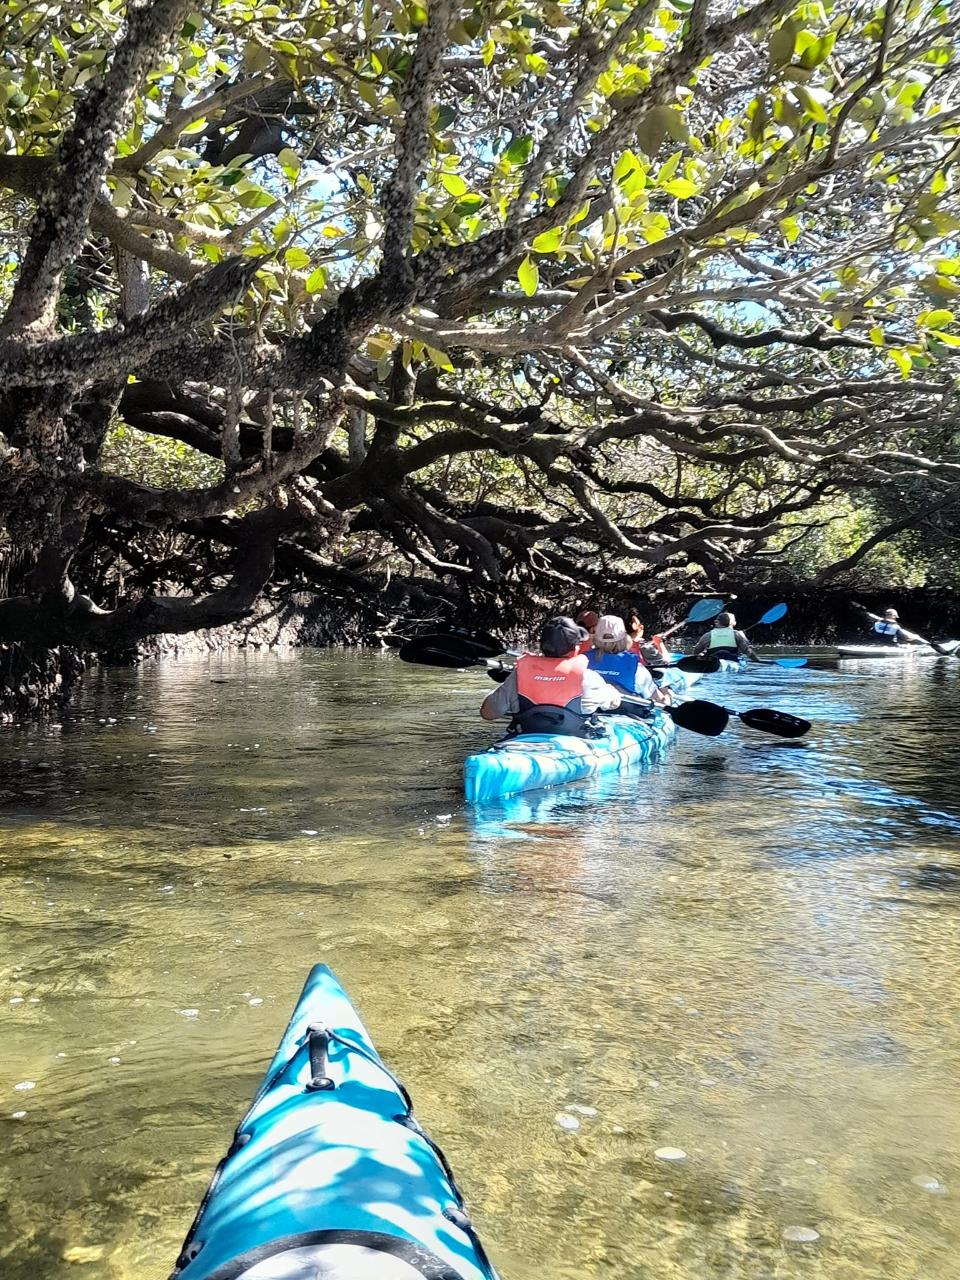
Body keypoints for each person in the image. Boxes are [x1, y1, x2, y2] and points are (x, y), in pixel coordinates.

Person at [480, 615, 621, 736]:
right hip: (572, 744)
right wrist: (610, 690)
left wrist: (504, 687)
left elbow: (488, 713)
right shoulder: (589, 678)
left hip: (526, 737)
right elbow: (614, 703)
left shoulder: (518, 676)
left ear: (542, 646)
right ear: (575, 648)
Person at [587, 616, 672, 704]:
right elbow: (662, 702)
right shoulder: (635, 667)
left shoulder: (581, 661)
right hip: (625, 713)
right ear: (624, 638)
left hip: (589, 713)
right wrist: (667, 692)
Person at [692, 611, 758, 662]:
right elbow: (747, 651)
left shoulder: (707, 635)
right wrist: (757, 660)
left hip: (713, 660)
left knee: (705, 654)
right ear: (733, 623)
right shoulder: (737, 634)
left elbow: (696, 651)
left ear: (717, 622)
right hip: (731, 659)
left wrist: (699, 656)